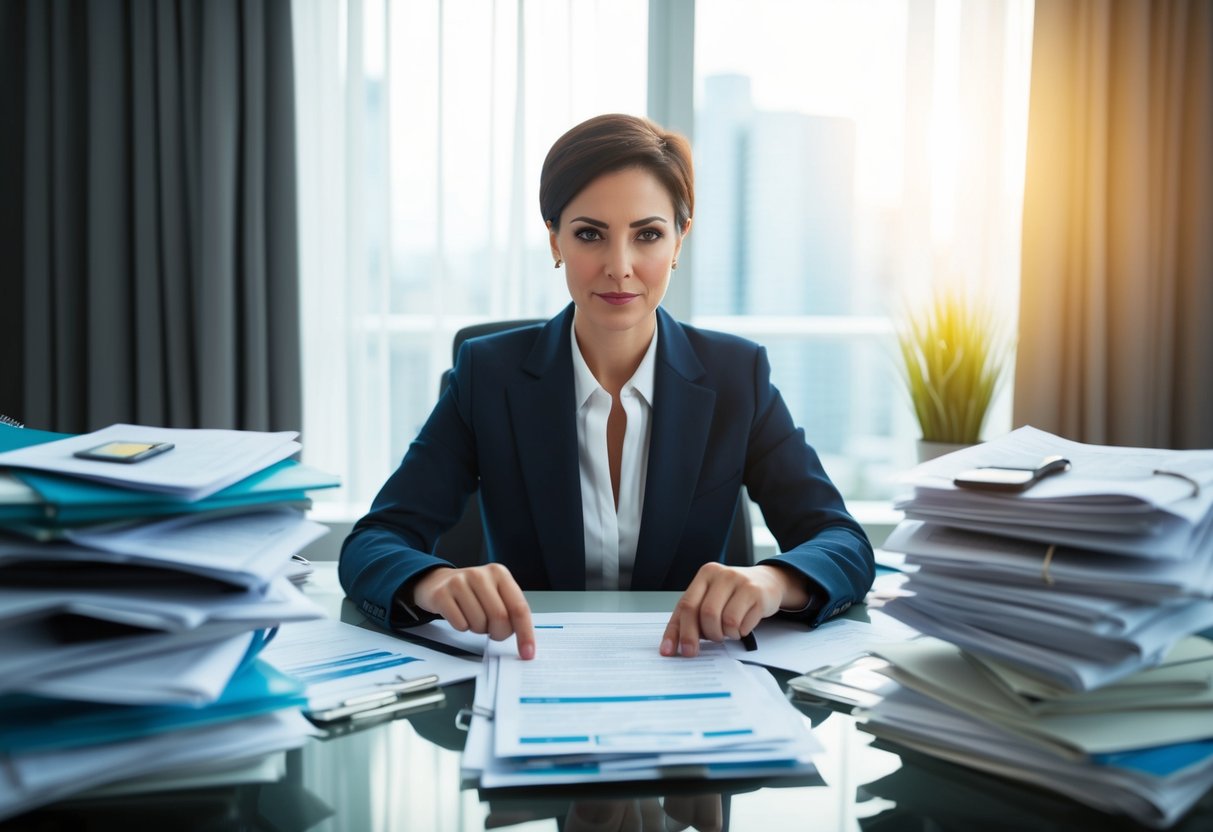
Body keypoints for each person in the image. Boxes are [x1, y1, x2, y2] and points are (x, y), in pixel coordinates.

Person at [339, 114, 875, 661]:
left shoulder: (737, 376)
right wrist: (433, 584)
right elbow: (374, 542)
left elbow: (842, 543)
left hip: (691, 675)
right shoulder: (487, 375)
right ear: (554, 240)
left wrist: (772, 582)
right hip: (530, 671)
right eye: (590, 234)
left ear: (678, 241)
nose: (620, 267)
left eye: (647, 235)